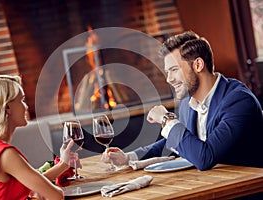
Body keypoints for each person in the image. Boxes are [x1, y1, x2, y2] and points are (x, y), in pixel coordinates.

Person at [102, 31, 263, 171]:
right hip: (210, 185)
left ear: (198, 65)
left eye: (174, 70)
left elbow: (205, 158)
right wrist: (129, 158)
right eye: (167, 71)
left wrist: (166, 120)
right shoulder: (188, 102)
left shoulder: (238, 101)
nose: (169, 79)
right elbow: (181, 143)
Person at [0, 75, 73, 200]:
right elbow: (56, 196)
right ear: (7, 107)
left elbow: (26, 183)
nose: (26, 106)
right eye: (21, 100)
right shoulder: (5, 155)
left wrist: (63, 165)